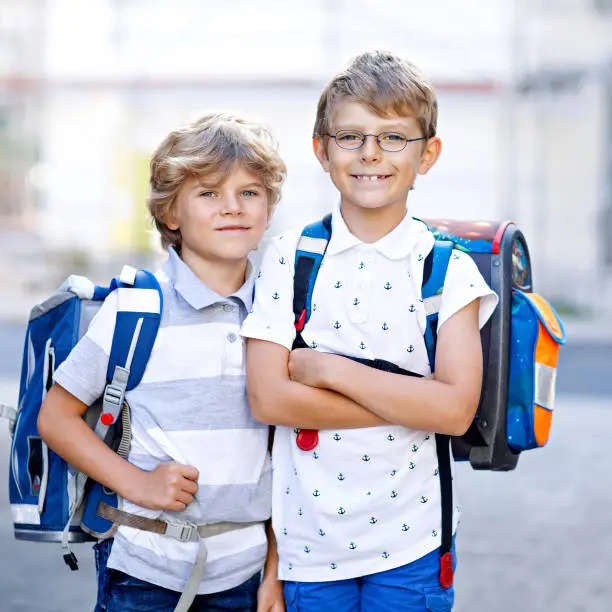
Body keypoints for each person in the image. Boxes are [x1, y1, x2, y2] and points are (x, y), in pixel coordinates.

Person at [241, 50, 499, 611]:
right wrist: (414, 399)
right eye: (351, 136)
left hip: (414, 548)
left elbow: (455, 413)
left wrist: (329, 371)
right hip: (307, 547)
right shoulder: (291, 257)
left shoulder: (447, 269)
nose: (371, 154)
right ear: (322, 149)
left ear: (428, 154)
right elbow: (267, 399)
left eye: (393, 137)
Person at [38, 112, 287, 612]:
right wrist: (139, 484)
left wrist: (276, 573)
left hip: (246, 571)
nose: (232, 208)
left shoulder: (282, 313)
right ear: (171, 213)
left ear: (268, 207)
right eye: (209, 193)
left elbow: (290, 457)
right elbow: (55, 418)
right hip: (143, 566)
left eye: (250, 192)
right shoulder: (135, 309)